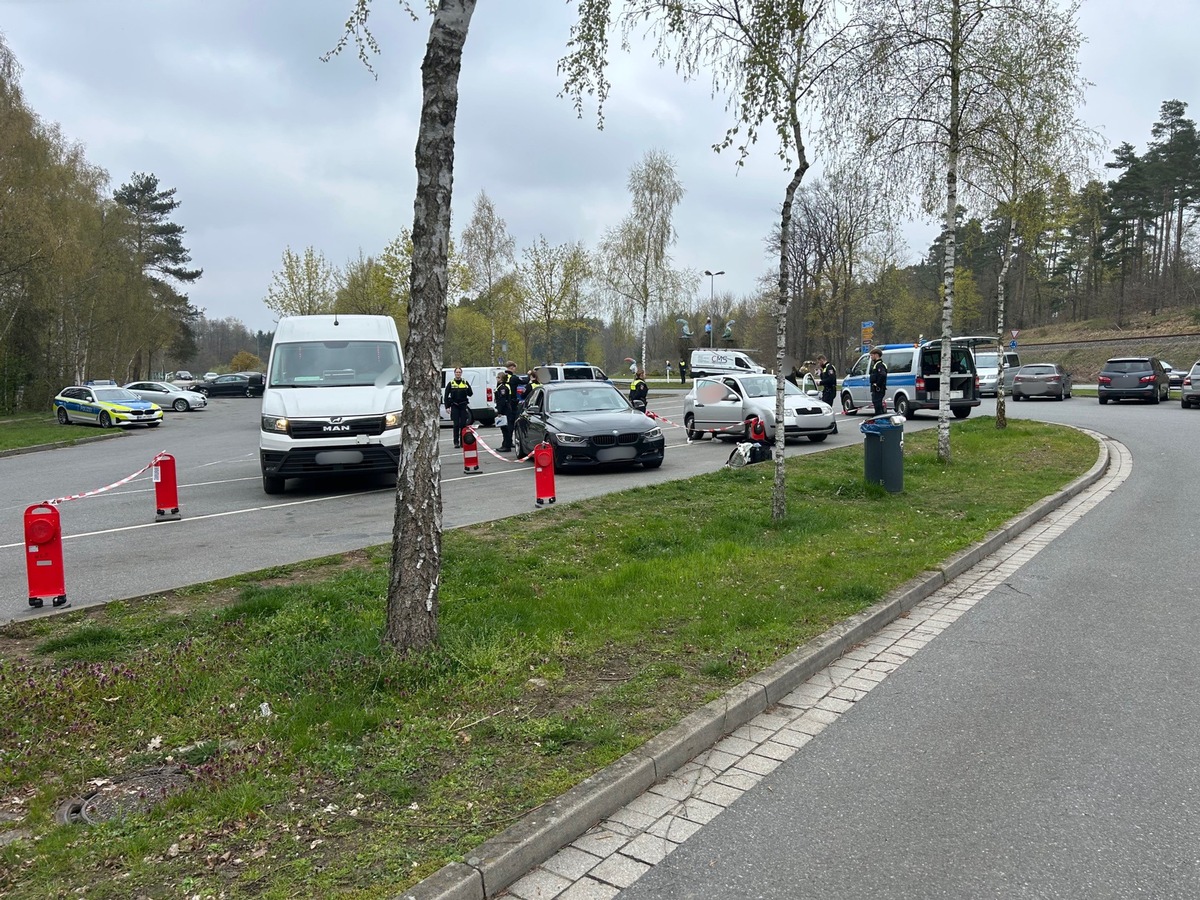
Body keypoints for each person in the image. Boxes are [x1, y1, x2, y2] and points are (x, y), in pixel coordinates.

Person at [443, 366, 472, 448]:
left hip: (463, 405)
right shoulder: (451, 383)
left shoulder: (465, 382)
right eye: (457, 372)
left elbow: (470, 393)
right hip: (454, 405)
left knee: (463, 424)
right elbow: (446, 396)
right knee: (456, 424)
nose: (458, 374)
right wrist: (447, 407)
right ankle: (456, 442)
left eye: (459, 372)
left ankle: (463, 442)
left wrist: (467, 388)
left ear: (461, 373)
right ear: (454, 373)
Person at [494, 370, 515, 452]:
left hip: (505, 410)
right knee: (504, 428)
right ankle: (505, 444)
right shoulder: (501, 386)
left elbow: (502, 401)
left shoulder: (502, 388)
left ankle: (507, 446)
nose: (497, 379)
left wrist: (499, 411)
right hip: (505, 409)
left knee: (505, 428)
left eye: (498, 377)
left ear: (501, 379)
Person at [869, 347, 888, 415]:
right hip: (877, 389)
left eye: (872, 355)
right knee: (877, 403)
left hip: (878, 389)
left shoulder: (879, 365)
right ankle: (879, 418)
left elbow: (883, 375)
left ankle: (880, 418)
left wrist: (877, 384)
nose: (871, 357)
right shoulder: (876, 364)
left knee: (877, 405)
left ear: (876, 355)